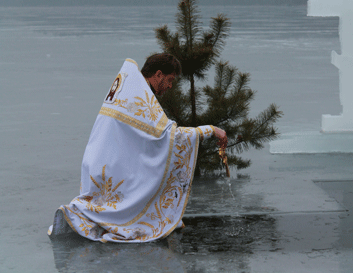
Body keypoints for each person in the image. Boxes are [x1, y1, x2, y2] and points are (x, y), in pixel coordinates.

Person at [48, 53, 227, 243]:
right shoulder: (139, 97)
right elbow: (168, 136)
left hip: (98, 164)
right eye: (169, 80)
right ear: (158, 74)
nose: (170, 86)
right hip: (111, 171)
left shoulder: (130, 88)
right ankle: (79, 215)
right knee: (125, 214)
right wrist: (210, 130)